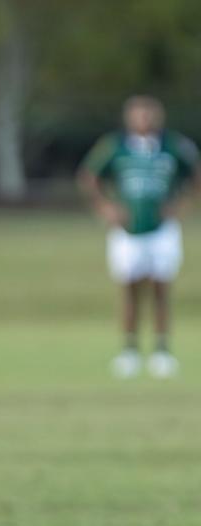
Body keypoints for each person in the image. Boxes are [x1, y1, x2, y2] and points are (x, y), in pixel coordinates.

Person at [78, 96, 199, 379]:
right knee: (129, 289)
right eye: (138, 114)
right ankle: (129, 351)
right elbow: (88, 176)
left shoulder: (173, 146)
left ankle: (162, 351)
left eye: (149, 114)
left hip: (162, 229)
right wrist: (106, 207)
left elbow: (196, 176)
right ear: (129, 118)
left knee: (161, 289)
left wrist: (183, 207)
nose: (144, 119)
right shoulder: (115, 146)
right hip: (128, 230)